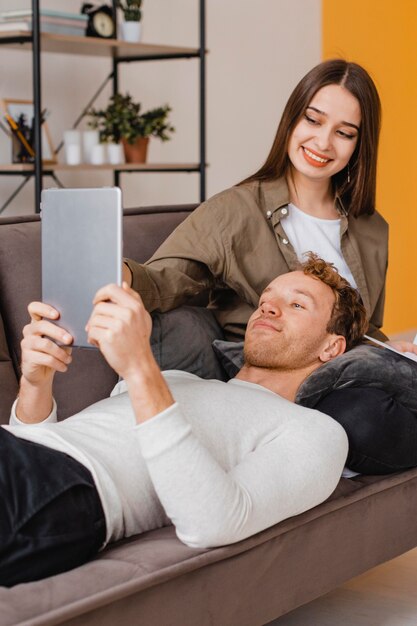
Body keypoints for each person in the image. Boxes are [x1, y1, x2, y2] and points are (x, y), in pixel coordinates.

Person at [0, 256, 365, 587]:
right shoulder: (172, 379)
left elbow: (214, 522)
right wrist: (36, 381)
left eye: (297, 304)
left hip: (67, 487)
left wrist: (141, 366)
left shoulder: (315, 430)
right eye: (267, 298)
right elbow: (42, 440)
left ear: (331, 347)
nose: (268, 306)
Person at [122, 58, 416, 375]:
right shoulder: (233, 211)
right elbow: (160, 281)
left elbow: (361, 326)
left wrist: (385, 349)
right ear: (292, 119)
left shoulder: (372, 228)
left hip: (350, 379)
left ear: (360, 145)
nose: (323, 142)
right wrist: (114, 274)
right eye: (313, 121)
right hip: (274, 387)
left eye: (344, 133)